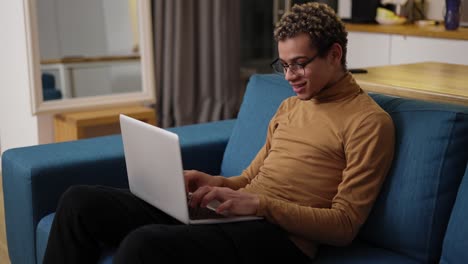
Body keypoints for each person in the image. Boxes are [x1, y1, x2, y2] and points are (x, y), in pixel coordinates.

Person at [43, 3, 395, 263]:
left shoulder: (368, 123)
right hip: (241, 215)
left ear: (335, 54)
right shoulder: (291, 107)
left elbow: (345, 225)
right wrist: (214, 182)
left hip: (282, 241)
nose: (289, 76)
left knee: (145, 244)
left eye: (299, 64)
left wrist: (261, 205)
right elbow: (251, 178)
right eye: (284, 65)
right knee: (79, 202)